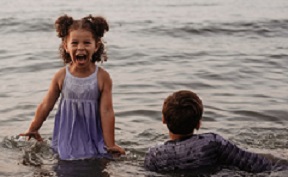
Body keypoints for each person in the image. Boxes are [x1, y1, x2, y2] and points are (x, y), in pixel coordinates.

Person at [20, 14, 125, 160]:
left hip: (93, 136)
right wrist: (33, 128)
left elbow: (107, 111)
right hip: (66, 138)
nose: (80, 47)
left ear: (96, 46)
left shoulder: (102, 77)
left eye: (87, 43)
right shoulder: (61, 76)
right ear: (66, 46)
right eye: (74, 43)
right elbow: (46, 105)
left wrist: (111, 144)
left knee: (97, 164)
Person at [144, 90, 273, 173]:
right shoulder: (212, 143)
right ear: (199, 123)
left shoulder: (153, 156)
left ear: (163, 120)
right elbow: (259, 165)